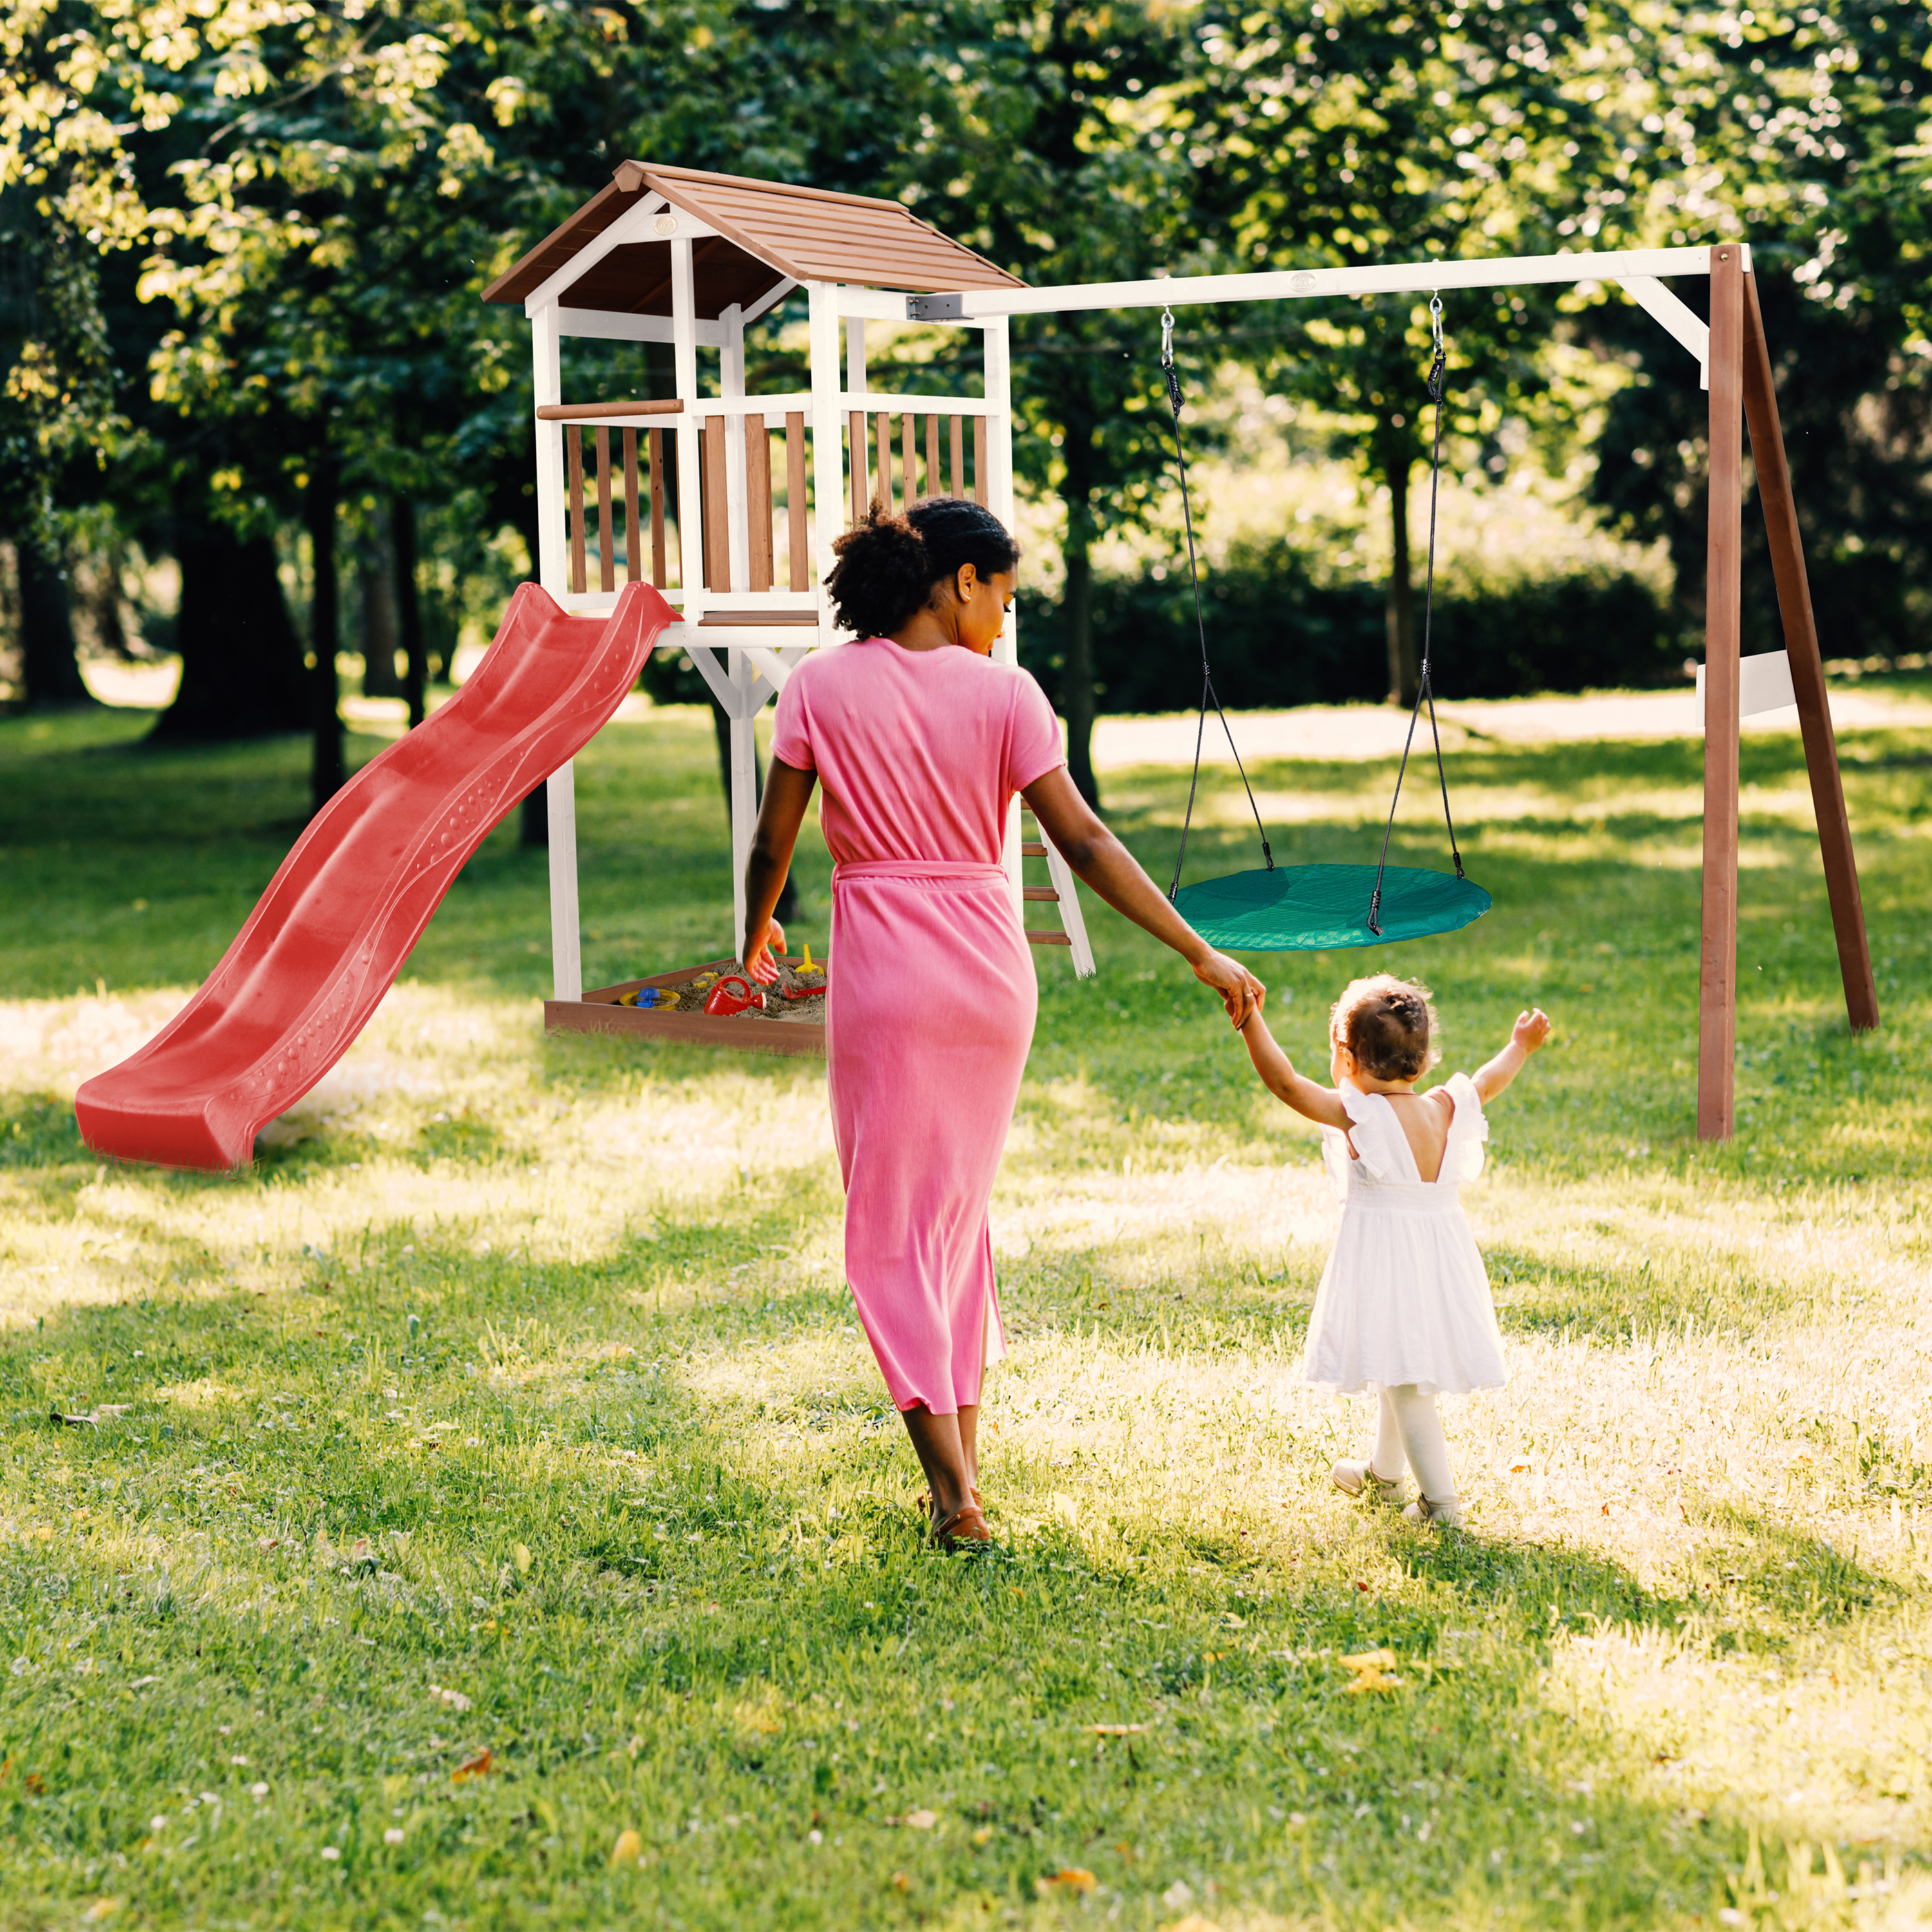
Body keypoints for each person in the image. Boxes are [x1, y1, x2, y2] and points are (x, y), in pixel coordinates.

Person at [741, 498, 1264, 1548]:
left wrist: (751, 937)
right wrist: (1197, 947)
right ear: (960, 581)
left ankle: (953, 1496)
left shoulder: (817, 686)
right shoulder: (1009, 697)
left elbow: (773, 841)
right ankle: (964, 1475)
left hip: (886, 974)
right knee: (952, 1225)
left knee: (890, 1233)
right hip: (989, 975)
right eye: (1005, 597)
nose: (1005, 620)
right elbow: (1084, 843)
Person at [1235, 974, 1551, 1527]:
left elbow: (1285, 1084)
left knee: (1406, 1384)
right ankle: (1384, 1475)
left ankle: (1441, 1505)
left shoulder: (1361, 1116)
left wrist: (1249, 1019)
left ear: (1348, 1059)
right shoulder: (1445, 1106)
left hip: (1389, 1263)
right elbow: (1488, 1079)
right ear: (1424, 1061)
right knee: (1395, 1362)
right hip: (1439, 1260)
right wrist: (1519, 1046)